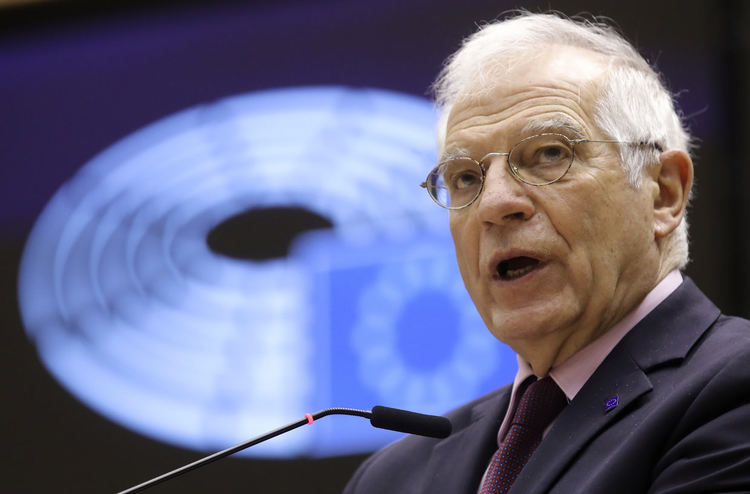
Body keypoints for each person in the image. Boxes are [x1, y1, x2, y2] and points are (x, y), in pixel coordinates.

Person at [343, 11, 750, 494]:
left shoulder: (733, 391)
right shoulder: (390, 478)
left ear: (662, 193)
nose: (494, 204)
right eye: (466, 178)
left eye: (550, 154)